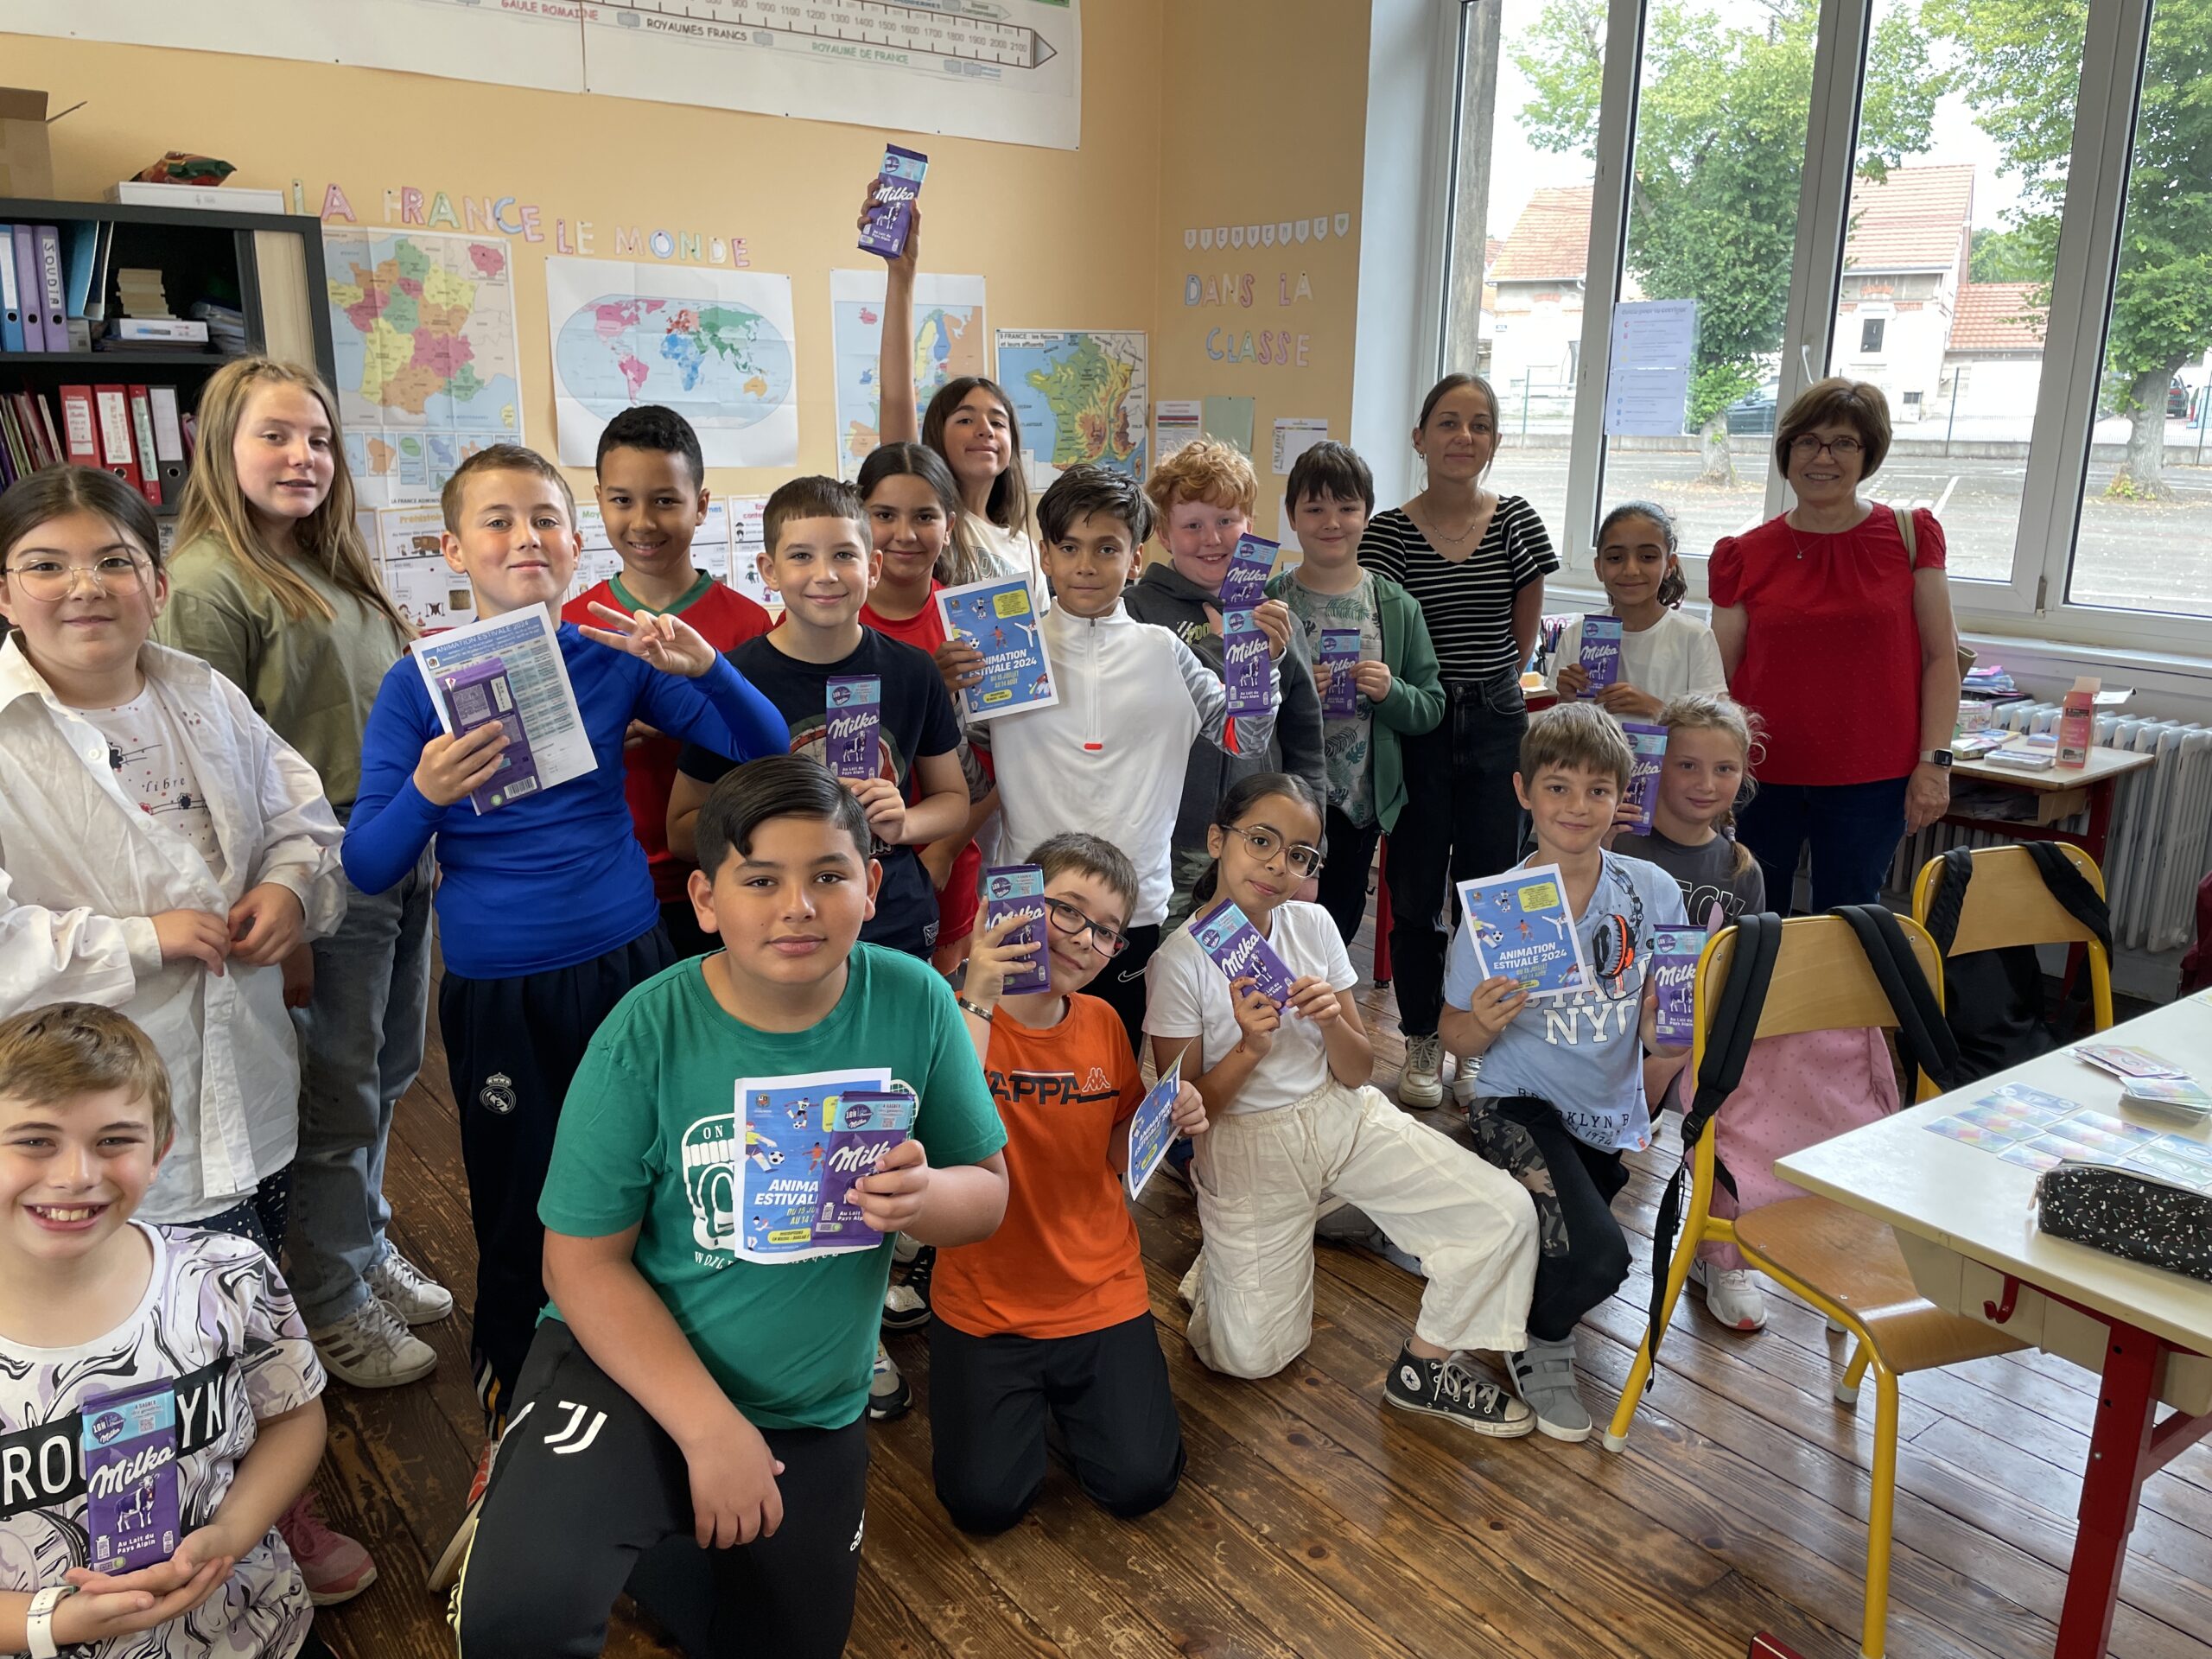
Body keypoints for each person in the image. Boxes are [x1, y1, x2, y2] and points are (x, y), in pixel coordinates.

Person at [449, 757, 1008, 1657]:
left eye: (828, 876)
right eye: (761, 880)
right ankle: (549, 1500)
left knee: (784, 1638)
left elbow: (987, 1195)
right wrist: (711, 1432)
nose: (798, 907)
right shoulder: (644, 1031)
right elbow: (579, 1264)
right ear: (706, 900)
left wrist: (927, 1196)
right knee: (521, 1611)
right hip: (627, 1367)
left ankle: (642, 1536)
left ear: (871, 887)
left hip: (809, 1400)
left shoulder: (917, 1001)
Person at [341, 443, 785, 1486]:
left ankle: (667, 1377)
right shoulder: (416, 685)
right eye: (496, 521)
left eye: (544, 518)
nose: (524, 538)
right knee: (521, 1197)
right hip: (500, 984)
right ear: (453, 550)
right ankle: (516, 1395)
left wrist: (707, 668)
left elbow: (763, 746)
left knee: (657, 1176)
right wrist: (428, 794)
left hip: (628, 961)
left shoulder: (610, 649)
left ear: (574, 541)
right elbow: (367, 863)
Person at [0, 466, 365, 1603]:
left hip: (237, 1072)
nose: (84, 587)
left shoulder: (202, 692)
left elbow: (302, 817)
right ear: (4, 592)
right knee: (122, 1337)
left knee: (241, 1311)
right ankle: (117, 1552)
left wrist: (290, 888)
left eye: (114, 561)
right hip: (88, 1110)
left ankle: (263, 1507)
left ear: (157, 583)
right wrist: (138, 939)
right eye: (46, 565)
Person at [157, 357, 452, 1397]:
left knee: (389, 1072)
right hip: (321, 872)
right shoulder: (208, 583)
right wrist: (276, 919)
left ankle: (359, 1242)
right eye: (275, 436)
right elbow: (210, 774)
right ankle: (327, 1297)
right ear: (222, 448)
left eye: (318, 439)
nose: (302, 457)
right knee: (338, 1090)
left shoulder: (334, 568)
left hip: (399, 849)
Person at [1144, 772, 1541, 1438]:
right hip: (1244, 1141)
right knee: (1249, 1358)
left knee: (1504, 1214)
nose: (1278, 865)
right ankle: (1227, 1264)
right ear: (1217, 840)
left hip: (1340, 1112)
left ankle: (1425, 1370)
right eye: (1261, 841)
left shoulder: (1314, 924)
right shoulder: (1179, 962)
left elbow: (1356, 1074)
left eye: (1300, 854)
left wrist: (1332, 1020)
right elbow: (1187, 1114)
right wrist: (1250, 1047)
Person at [0, 1003, 340, 1659]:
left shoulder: (227, 1277)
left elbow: (294, 1418)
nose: (76, 1175)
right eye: (36, 1140)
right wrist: (54, 1623)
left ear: (159, 1151)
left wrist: (233, 1533)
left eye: (114, 1140)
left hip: (255, 1630)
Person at [929, 832, 1205, 1533]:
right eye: (1069, 911)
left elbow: (1115, 1154)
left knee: (1140, 1481)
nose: (1086, 938)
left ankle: (1072, 1397)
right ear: (1021, 904)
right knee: (983, 1502)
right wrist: (979, 992)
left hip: (1096, 1287)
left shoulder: (1105, 1022)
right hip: (984, 1302)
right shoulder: (952, 1012)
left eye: (1108, 931)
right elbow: (943, 1131)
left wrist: (1167, 1116)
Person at [1438, 704, 1689, 1442]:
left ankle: (1439, 1224)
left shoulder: (1652, 890)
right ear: (1524, 792)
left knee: (1552, 1238)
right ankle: (1537, 1341)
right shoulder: (1497, 907)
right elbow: (1453, 1033)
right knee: (1599, 1258)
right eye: (1558, 788)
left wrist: (1664, 1035)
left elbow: (1666, 1024)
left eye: (1597, 790)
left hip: (1603, 1117)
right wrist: (1484, 1023)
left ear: (1621, 797)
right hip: (1513, 1103)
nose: (1577, 807)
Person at [970, 466, 1283, 1054]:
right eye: (1069, 547)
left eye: (1107, 548)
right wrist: (949, 692)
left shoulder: (1167, 652)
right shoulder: (1009, 650)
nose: (1086, 565)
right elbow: (968, 764)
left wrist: (1259, 667)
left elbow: (1244, 739)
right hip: (1024, 899)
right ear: (1045, 556)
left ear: (1135, 558)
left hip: (1130, 907)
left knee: (1108, 1062)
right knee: (1010, 1063)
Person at [666, 475, 969, 964]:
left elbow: (953, 801)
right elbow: (681, 831)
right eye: (802, 556)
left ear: (873, 568)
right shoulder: (733, 680)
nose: (825, 574)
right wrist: (772, 814)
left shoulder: (914, 670)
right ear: (769, 570)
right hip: (779, 930)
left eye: (844, 555)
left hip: (894, 921)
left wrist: (905, 822)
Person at [1360, 373, 1557, 1109]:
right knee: (1414, 894)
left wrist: (1485, 696)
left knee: (1494, 894)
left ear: (1495, 441)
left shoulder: (1517, 522)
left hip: (1498, 721)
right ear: (1420, 438)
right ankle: (1421, 1035)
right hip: (1417, 723)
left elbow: (1522, 638)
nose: (1463, 436)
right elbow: (1386, 635)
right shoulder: (1387, 532)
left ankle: (1478, 1039)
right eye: (1447, 422)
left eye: (1479, 424)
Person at [1709, 377, 1961, 911]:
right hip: (1759, 773)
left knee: (1849, 917)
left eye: (1843, 442)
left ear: (1868, 454)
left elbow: (1942, 658)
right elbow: (1717, 677)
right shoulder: (1743, 554)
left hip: (1873, 777)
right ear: (1787, 452)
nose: (1822, 457)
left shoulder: (1910, 536)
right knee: (1752, 914)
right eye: (1808, 441)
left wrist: (1935, 763)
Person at [562, 404, 774, 960]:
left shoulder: (750, 624)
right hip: (606, 885)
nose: (642, 523)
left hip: (727, 878)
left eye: (665, 501)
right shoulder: (571, 624)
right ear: (598, 499)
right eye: (622, 500)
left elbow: (770, 753)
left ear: (700, 505)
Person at [1126, 440, 1326, 931]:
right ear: (1164, 534)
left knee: (1249, 968)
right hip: (1168, 844)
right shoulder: (1137, 613)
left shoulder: (1276, 619)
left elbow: (1305, 742)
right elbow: (1147, 709)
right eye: (1192, 525)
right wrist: (1223, 648)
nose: (1212, 539)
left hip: (1261, 847)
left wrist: (1308, 851)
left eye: (1226, 521)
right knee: (1169, 964)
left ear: (1249, 526)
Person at [1264, 441, 1444, 945]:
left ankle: (1323, 995)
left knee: (1336, 924)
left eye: (1347, 508)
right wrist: (1295, 690)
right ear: (1292, 517)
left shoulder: (1395, 605)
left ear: (1367, 514)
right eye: (1314, 509)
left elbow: (1431, 706)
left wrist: (1391, 692)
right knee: (1274, 917)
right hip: (1282, 795)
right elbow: (1243, 696)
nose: (1332, 522)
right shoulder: (1271, 601)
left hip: (1358, 803)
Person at [854, 442, 999, 974]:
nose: (905, 534)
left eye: (924, 517)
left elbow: (1007, 763)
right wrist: (923, 688)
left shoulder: (976, 624)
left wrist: (943, 851)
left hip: (945, 866)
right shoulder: (825, 617)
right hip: (845, 872)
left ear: (950, 525)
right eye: (884, 515)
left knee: (937, 1012)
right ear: (859, 518)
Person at [860, 183, 1043, 603]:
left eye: (997, 422)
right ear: (936, 437)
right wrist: (902, 275)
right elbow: (895, 396)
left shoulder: (1025, 549)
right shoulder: (929, 521)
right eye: (965, 418)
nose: (985, 430)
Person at [1548, 501, 1726, 719]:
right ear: (1598, 567)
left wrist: (1657, 709)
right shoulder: (1577, 634)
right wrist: (1567, 699)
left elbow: (1713, 729)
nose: (1631, 570)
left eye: (1648, 557)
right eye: (1615, 558)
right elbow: (1562, 727)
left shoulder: (1694, 637)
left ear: (1669, 565)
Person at [1611, 692, 1768, 931]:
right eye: (1688, 766)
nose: (1706, 785)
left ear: (1743, 772)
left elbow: (1746, 955)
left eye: (1724, 769)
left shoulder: (1743, 874)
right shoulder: (1612, 841)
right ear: (1656, 764)